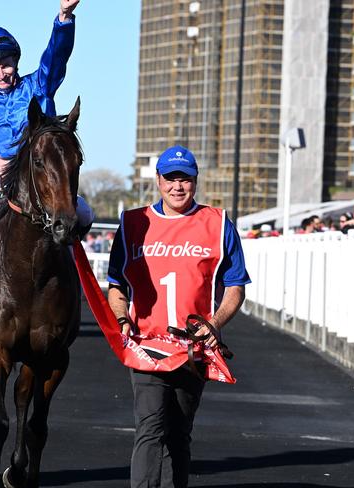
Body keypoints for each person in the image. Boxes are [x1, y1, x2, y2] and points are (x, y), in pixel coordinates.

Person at [106, 145, 250, 488]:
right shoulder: (132, 223)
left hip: (193, 350)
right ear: (158, 180)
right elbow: (116, 286)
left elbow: (236, 286)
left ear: (195, 181)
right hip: (146, 347)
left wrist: (214, 324)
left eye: (184, 179)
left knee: (179, 434)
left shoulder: (218, 224)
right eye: (170, 178)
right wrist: (122, 319)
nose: (177, 186)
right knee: (149, 429)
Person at [0, 0, 93, 262]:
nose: (1, 73)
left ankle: (75, 261)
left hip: (42, 183)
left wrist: (64, 17)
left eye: (5, 65)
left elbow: (56, 56)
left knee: (84, 214)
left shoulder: (39, 85)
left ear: (15, 61)